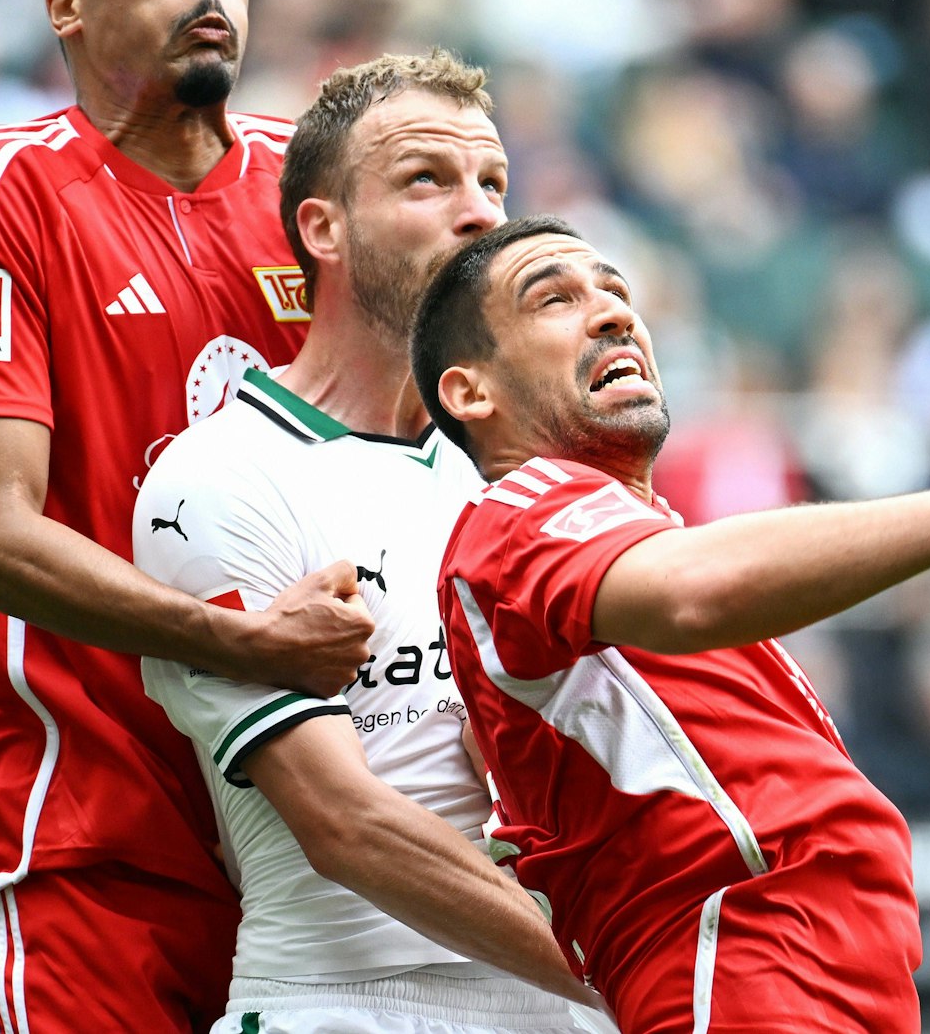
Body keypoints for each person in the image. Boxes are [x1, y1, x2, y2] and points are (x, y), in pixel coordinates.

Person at [410, 216, 930, 1033]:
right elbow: (695, 592)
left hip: (827, 976)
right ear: (469, 390)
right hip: (740, 968)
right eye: (553, 298)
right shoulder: (516, 516)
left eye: (618, 289)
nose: (613, 311)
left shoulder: (629, 537)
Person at [0, 0, 373, 1034]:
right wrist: (245, 641)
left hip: (306, 838)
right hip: (84, 836)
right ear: (64, 4)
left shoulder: (315, 194)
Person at [131, 52, 602, 1033]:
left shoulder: (525, 472)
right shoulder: (216, 477)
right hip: (345, 1004)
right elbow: (343, 823)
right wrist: (626, 973)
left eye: (493, 183)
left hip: (562, 1008)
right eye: (426, 179)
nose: (478, 212)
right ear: (321, 227)